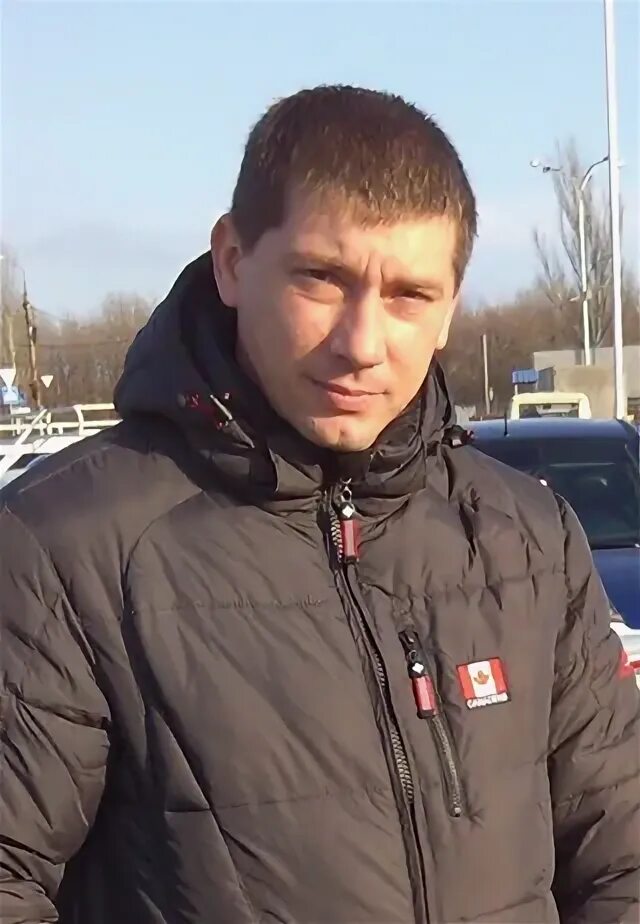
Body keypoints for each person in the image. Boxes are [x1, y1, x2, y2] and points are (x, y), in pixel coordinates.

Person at [1, 85, 638, 924]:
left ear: (450, 308)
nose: (362, 344)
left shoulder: (527, 539)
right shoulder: (61, 547)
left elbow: (620, 851)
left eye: (409, 295)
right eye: (322, 279)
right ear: (233, 261)